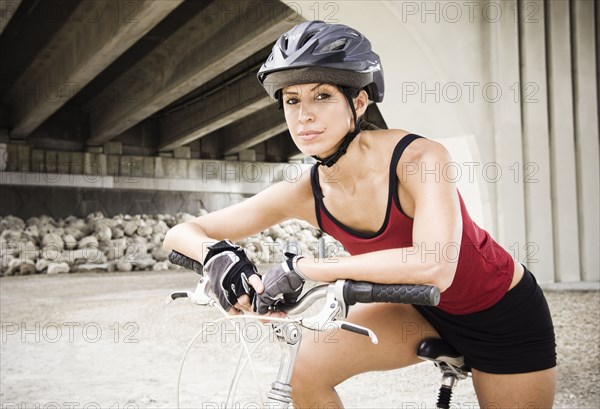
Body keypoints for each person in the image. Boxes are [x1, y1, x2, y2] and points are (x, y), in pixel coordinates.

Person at [163, 20, 556, 408]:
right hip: (419, 309)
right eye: (292, 100)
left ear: (360, 102)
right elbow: (182, 232)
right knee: (304, 374)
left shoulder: (420, 158)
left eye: (322, 96)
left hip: (501, 315)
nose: (304, 116)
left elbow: (435, 266)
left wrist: (305, 268)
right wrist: (218, 257)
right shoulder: (306, 190)